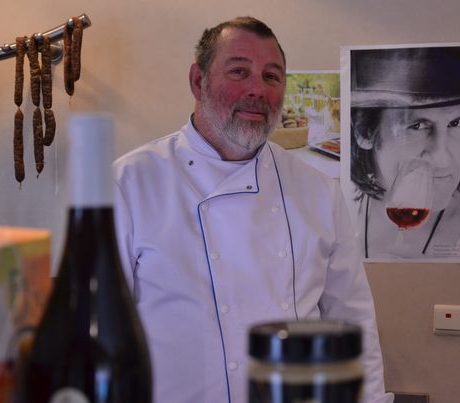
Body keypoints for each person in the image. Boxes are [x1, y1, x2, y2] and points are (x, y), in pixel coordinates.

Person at [112, 17, 393, 403]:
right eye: (239, 71)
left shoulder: (317, 191)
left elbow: (354, 321)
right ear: (198, 81)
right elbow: (97, 330)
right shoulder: (130, 183)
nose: (257, 90)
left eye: (272, 76)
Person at [349, 47, 460, 259]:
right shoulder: (339, 204)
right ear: (363, 132)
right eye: (417, 126)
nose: (441, 157)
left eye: (456, 123)